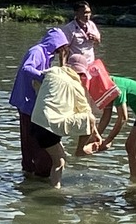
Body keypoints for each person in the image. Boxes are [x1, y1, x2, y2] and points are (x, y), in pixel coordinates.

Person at [9, 27, 69, 179]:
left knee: (31, 137)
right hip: (26, 102)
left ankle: (32, 169)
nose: (60, 50)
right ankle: (33, 168)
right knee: (31, 138)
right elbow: (26, 68)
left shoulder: (47, 56)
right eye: (60, 46)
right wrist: (45, 77)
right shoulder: (37, 51)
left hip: (33, 103)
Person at [32, 46, 96, 187]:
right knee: (59, 160)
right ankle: (80, 150)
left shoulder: (52, 72)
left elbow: (35, 82)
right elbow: (87, 113)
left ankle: (50, 184)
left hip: (36, 122)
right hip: (51, 126)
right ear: (80, 73)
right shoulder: (76, 86)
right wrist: (96, 135)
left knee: (60, 157)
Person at [91, 73, 136, 185]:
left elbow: (123, 118)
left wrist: (108, 140)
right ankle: (133, 179)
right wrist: (95, 137)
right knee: (130, 146)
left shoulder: (117, 88)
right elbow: (106, 116)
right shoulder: (108, 89)